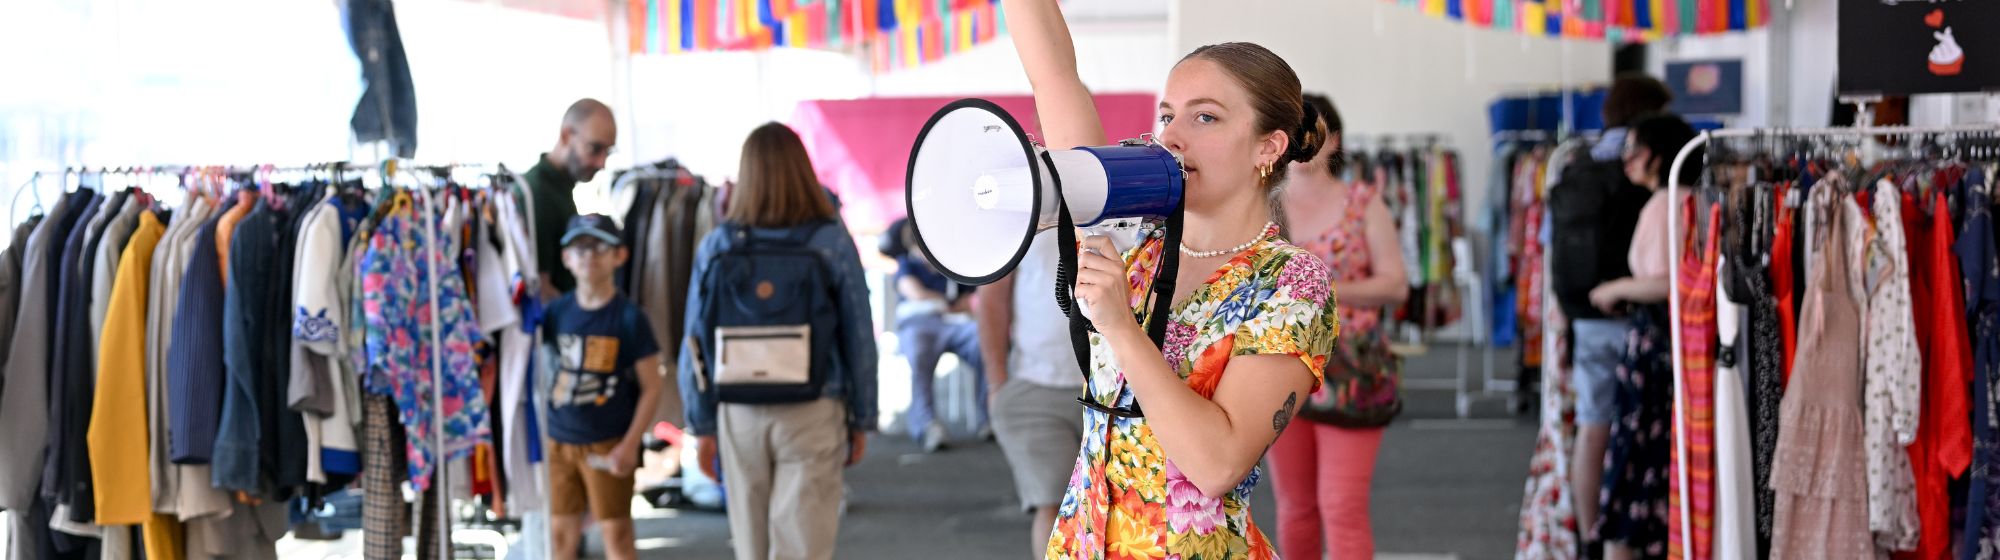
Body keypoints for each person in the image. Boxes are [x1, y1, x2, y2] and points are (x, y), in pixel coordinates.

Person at [1004, 0, 1341, 556]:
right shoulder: (1135, 231)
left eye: (1204, 116)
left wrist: (1120, 326)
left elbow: (1216, 465)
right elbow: (1055, 77)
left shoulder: (1292, 284)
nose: (1172, 136)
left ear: (1269, 146)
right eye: (1168, 115)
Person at [679, 122, 876, 560]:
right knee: (803, 547)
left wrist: (702, 425)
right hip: (814, 407)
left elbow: (693, 342)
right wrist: (862, 416)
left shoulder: (718, 245)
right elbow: (858, 332)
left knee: (751, 547)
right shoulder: (831, 241)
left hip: (739, 410)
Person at [1267, 93, 1408, 560]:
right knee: (1294, 507)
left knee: (1341, 505)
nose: (1305, 142)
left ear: (1336, 141)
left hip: (1351, 371)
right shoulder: (1262, 205)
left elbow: (1395, 285)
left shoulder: (1363, 203)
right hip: (1277, 369)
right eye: (1295, 130)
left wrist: (1323, 290)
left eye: (1316, 131)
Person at [1548, 74, 1672, 558]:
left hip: (1586, 312)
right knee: (1642, 428)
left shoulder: (1578, 161)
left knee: (1594, 424)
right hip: (1642, 316)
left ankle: (1590, 537)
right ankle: (1634, 530)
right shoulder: (1645, 165)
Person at [1587, 113, 1703, 560]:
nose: (1626, 160)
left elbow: (1665, 281)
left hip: (1654, 346)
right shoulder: (1689, 199)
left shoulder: (1663, 205)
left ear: (1656, 155)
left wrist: (1614, 289)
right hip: (1672, 344)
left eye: (1633, 149)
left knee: (1634, 461)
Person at [542, 214, 665, 560]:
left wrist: (629, 445)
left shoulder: (629, 317)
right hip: (559, 441)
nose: (589, 256)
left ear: (619, 256)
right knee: (560, 538)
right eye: (579, 248)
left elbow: (652, 386)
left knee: (617, 536)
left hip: (608, 441)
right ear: (566, 258)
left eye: (599, 247)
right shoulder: (556, 313)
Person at [976, 228, 1084, 555]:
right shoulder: (1026, 208)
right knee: (1054, 506)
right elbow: (992, 298)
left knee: (1120, 505)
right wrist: (998, 381)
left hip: (1118, 388)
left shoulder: (1131, 200)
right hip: (1035, 390)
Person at [881, 217, 986, 452]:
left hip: (953, 324)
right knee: (920, 353)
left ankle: (988, 417)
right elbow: (916, 293)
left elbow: (966, 303)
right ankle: (926, 424)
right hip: (919, 324)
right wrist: (946, 302)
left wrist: (945, 303)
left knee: (984, 343)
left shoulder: (951, 266)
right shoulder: (906, 264)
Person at [526, 98, 618, 298]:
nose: (602, 163)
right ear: (566, 135)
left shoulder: (561, 186)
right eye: (594, 148)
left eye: (608, 152)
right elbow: (540, 288)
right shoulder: (538, 192)